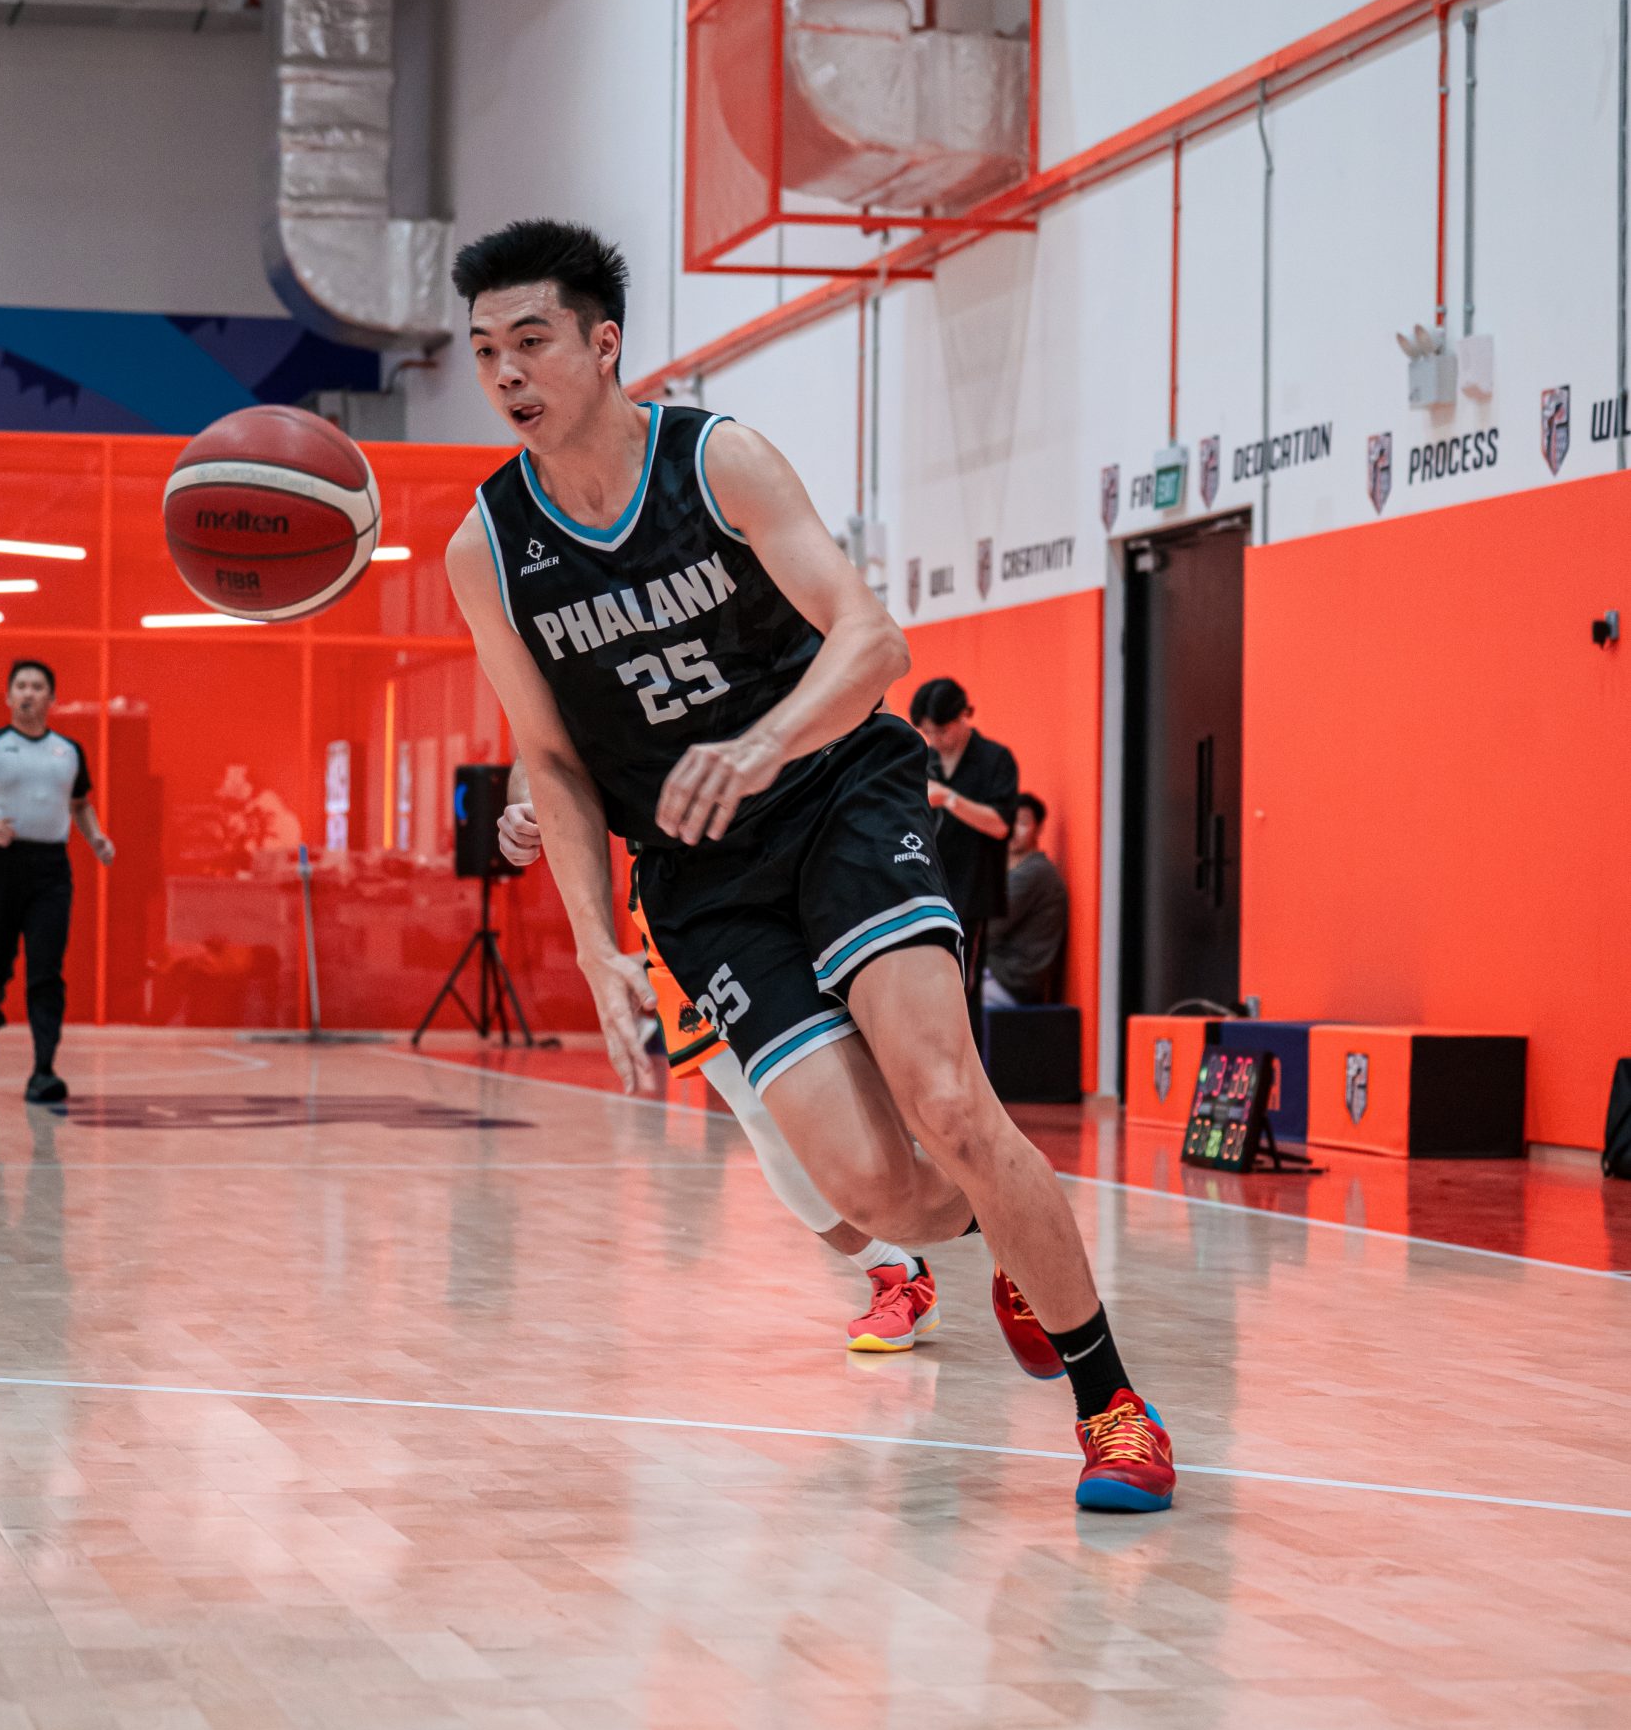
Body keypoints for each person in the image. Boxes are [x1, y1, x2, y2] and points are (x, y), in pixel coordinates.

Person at [443, 217, 1173, 1511]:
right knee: (871, 1190)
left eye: (532, 341)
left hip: (837, 793)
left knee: (948, 1099)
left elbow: (873, 641)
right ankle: (1003, 1223)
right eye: (486, 349)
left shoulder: (715, 460)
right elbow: (548, 759)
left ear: (603, 345)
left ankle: (1111, 1406)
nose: (506, 372)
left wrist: (761, 743)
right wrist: (595, 945)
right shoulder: (486, 548)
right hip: (698, 878)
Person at [497, 771, 941, 1355]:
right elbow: (539, 758)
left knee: (912, 1084)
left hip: (802, 846)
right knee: (766, 1117)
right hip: (681, 897)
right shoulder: (569, 706)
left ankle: (1011, 1226)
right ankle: (895, 1272)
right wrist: (524, 809)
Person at [0, 657, 115, 1105]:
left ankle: (43, 1071)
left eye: (38, 687)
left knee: (46, 971)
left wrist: (96, 838)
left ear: (51, 698)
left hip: (51, 870)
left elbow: (80, 804)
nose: (28, 693)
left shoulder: (69, 751)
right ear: (8, 696)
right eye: (21, 685)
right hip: (0, 866)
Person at [907, 677, 1019, 1019]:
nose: (936, 740)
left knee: (963, 990)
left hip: (972, 892)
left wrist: (949, 799)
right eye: (928, 732)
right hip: (926, 888)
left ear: (963, 715)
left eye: (941, 730)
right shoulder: (924, 760)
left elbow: (1000, 825)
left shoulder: (994, 759)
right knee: (924, 989)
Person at [983, 793, 1068, 1011]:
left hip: (1011, 981)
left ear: (1038, 829)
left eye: (1022, 823)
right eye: (1009, 821)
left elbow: (987, 928)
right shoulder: (1014, 870)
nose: (1013, 830)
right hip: (1000, 973)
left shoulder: (1035, 873)